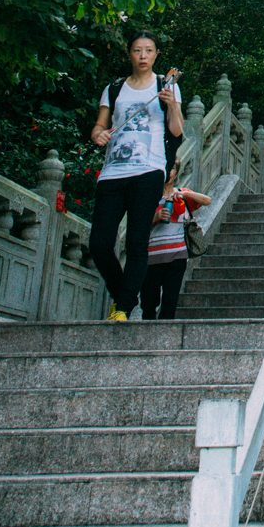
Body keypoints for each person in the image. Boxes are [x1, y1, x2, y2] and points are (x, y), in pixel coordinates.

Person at [89, 30, 184, 322]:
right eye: (137, 51)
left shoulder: (164, 86)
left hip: (148, 170)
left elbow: (177, 131)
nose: (143, 56)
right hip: (112, 173)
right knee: (100, 244)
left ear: (156, 55)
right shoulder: (115, 88)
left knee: (137, 241)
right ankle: (122, 294)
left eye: (149, 51)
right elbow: (99, 127)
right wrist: (99, 135)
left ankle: (123, 308)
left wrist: (172, 104)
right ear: (128, 53)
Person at [140, 157, 211, 321]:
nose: (168, 171)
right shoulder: (149, 195)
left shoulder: (182, 195)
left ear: (176, 172)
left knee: (170, 300)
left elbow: (208, 200)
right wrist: (156, 217)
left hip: (177, 255)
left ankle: (165, 335)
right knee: (148, 303)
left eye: (171, 168)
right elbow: (138, 222)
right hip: (151, 256)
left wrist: (184, 193)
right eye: (164, 168)